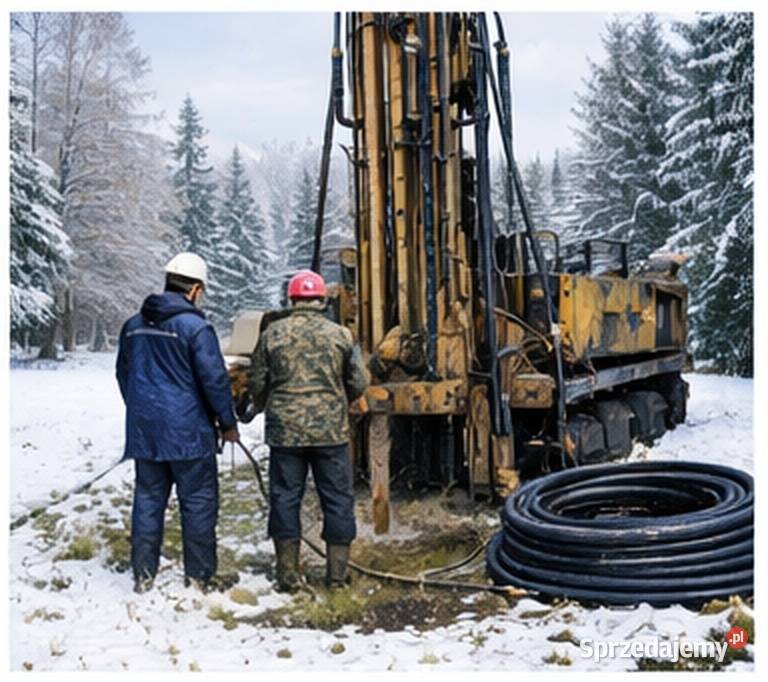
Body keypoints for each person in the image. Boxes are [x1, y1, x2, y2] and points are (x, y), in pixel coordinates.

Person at [116, 252, 238, 593]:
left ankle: (143, 576)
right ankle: (198, 577)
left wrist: (143, 412)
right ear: (196, 289)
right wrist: (227, 421)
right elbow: (214, 380)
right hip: (188, 434)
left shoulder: (133, 326)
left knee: (148, 499)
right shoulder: (196, 328)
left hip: (146, 433)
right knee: (198, 501)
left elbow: (124, 374)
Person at [247, 270, 369, 591]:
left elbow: (257, 381)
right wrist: (341, 399)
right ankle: (338, 577)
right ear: (322, 300)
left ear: (291, 299)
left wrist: (262, 404)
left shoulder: (272, 334)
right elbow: (358, 381)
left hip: (285, 433)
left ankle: (287, 576)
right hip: (331, 433)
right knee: (337, 499)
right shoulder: (341, 335)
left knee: (285, 499)